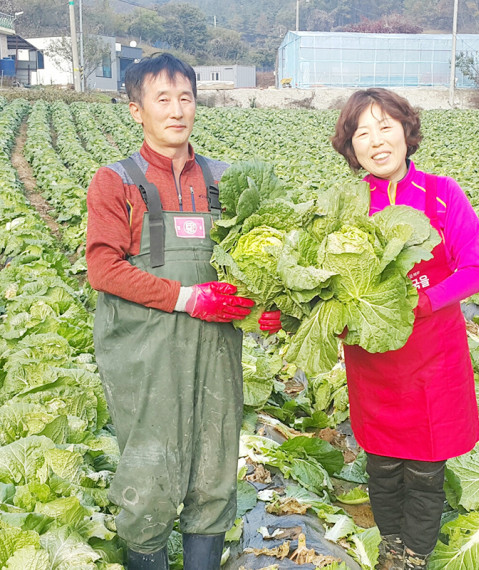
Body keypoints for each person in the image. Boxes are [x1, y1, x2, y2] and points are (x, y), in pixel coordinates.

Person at [86, 53, 281, 570]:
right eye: (162, 99)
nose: (177, 111)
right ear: (136, 110)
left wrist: (261, 308)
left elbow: (253, 263)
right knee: (149, 476)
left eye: (186, 98)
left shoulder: (225, 181)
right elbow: (103, 269)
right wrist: (186, 297)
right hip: (145, 352)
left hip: (216, 349)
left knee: (214, 472)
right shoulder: (117, 181)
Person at [331, 89, 479, 570]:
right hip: (372, 358)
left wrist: (420, 302)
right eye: (363, 132)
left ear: (406, 131)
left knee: (425, 468)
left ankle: (416, 554)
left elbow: (475, 271)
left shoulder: (443, 193)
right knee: (380, 464)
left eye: (385, 126)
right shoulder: (347, 207)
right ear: (351, 145)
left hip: (434, 357)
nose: (376, 141)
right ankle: (391, 546)